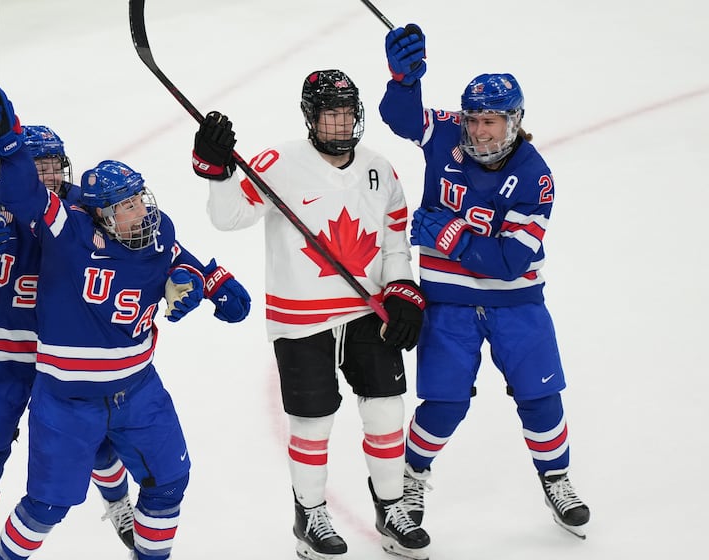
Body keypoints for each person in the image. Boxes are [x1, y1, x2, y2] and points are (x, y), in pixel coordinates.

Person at [0, 86, 252, 560]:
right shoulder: (69, 231)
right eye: (126, 206)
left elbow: (178, 257)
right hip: (67, 400)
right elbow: (25, 194)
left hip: (140, 392)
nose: (141, 212)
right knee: (47, 506)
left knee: (169, 482)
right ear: (101, 216)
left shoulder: (157, 230)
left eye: (140, 198)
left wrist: (212, 283)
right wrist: (9, 141)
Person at [190, 69, 429, 560]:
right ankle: (311, 513)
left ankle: (391, 506)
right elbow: (228, 217)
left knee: (386, 410)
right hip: (299, 318)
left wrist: (403, 286)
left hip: (368, 311)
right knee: (313, 420)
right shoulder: (277, 163)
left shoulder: (380, 168)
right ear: (311, 118)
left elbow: (394, 239)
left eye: (347, 114)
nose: (341, 125)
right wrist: (219, 171)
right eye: (330, 114)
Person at [378, 25, 591, 541]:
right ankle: (412, 478)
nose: (478, 132)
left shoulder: (535, 175)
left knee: (541, 398)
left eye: (490, 122)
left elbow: (509, 262)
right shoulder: (448, 132)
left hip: (516, 306)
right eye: (473, 120)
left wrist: (448, 233)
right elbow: (401, 119)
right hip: (448, 304)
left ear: (513, 122)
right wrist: (404, 82)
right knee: (444, 402)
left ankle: (556, 478)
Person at [0, 124, 138, 559]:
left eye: (56, 166)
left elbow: (136, 245)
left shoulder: (79, 205)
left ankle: (118, 504)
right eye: (40, 167)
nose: (51, 176)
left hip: (60, 359)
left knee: (97, 442)